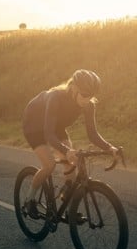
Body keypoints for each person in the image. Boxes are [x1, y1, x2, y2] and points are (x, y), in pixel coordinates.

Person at [22, 69, 120, 217]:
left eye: (91, 96)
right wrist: (66, 151)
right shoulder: (55, 97)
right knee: (49, 165)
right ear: (73, 87)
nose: (87, 99)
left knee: (71, 162)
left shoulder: (89, 105)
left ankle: (69, 209)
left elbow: (92, 134)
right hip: (34, 124)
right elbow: (48, 134)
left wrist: (109, 148)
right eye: (85, 94)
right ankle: (29, 200)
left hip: (56, 125)